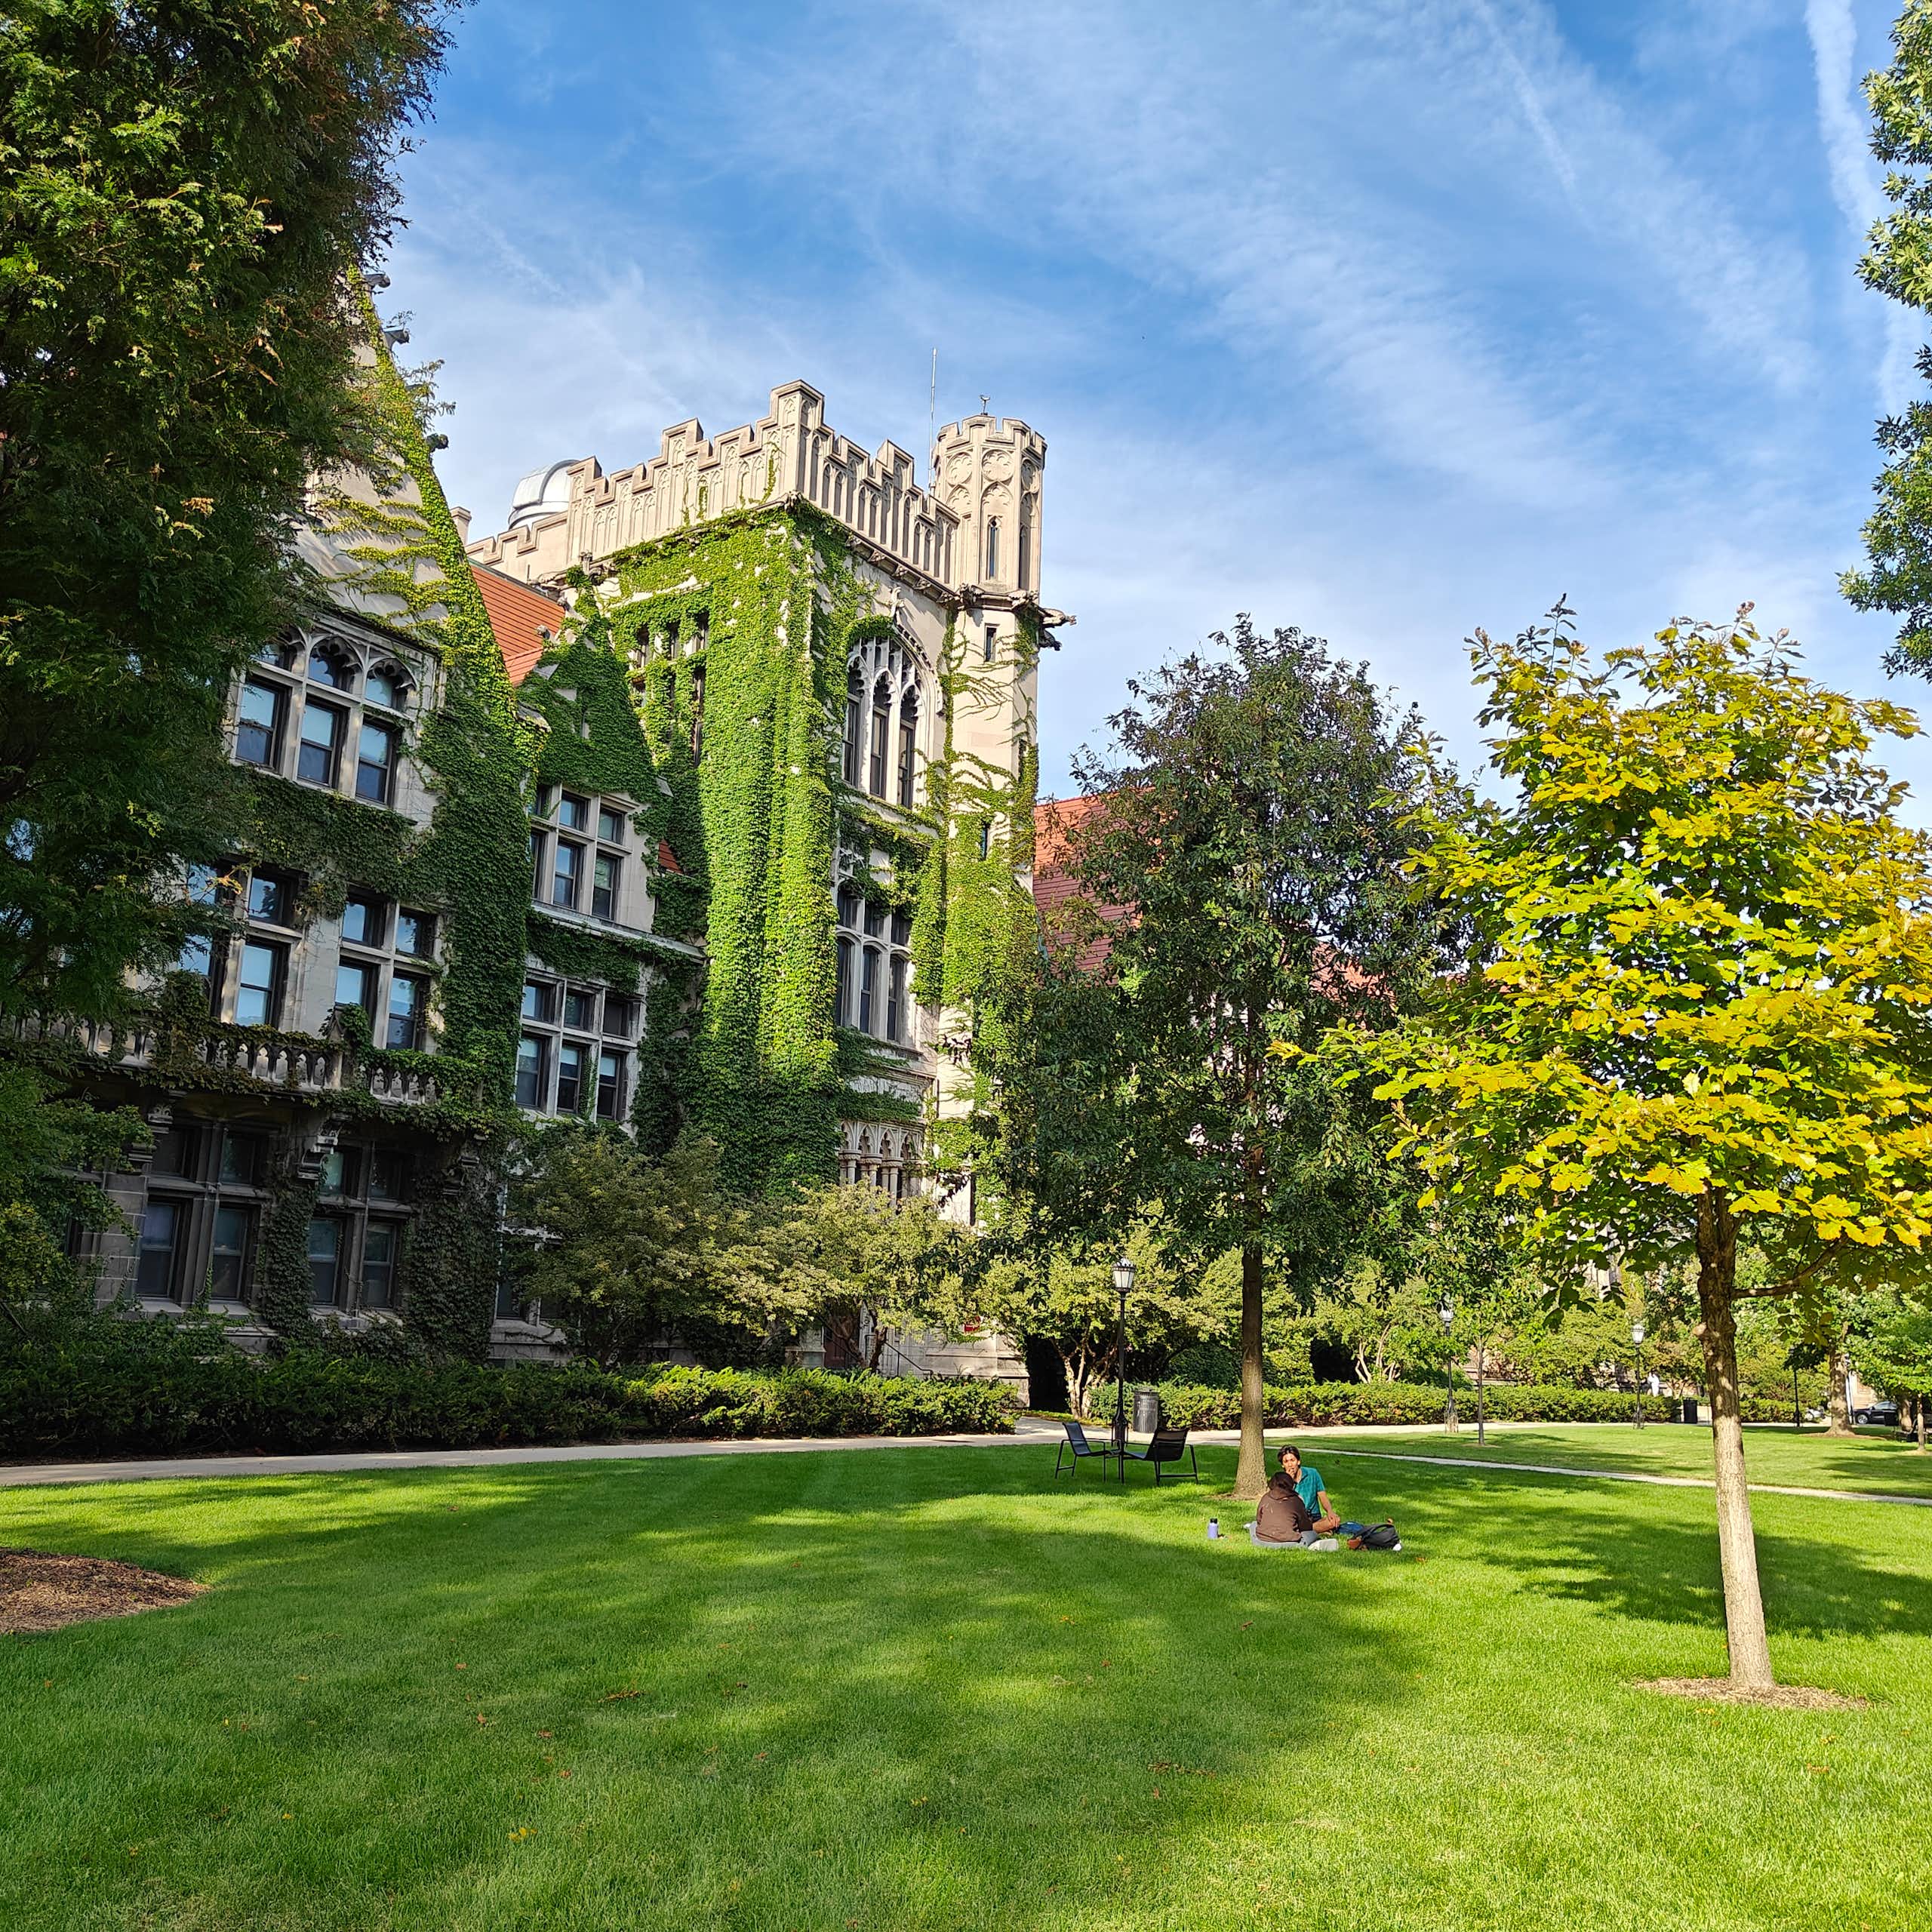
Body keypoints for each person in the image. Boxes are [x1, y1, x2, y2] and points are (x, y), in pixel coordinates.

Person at [1278, 1444, 1341, 1535]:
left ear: (1298, 1461)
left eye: (1292, 1460)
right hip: (1296, 1518)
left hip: (1313, 1516)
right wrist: (1289, 1481)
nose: (1290, 1465)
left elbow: (1323, 1497)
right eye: (1286, 1462)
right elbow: (1283, 1504)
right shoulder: (1282, 1480)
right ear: (1283, 1465)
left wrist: (1330, 1511)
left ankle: (1307, 1531)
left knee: (1335, 1520)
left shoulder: (1313, 1474)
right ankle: (1317, 1530)